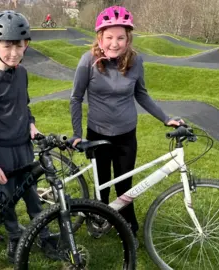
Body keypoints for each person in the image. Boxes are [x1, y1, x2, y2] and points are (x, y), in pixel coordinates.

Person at [69, 6, 183, 245]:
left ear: (128, 39)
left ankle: (126, 224)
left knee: (125, 185)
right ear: (100, 38)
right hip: (97, 134)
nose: (114, 43)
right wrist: (77, 135)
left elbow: (141, 94)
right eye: (109, 37)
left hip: (126, 135)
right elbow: (76, 98)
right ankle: (99, 219)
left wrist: (165, 118)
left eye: (120, 38)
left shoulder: (135, 60)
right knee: (102, 186)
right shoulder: (87, 61)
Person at [0, 10, 58, 264]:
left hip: (23, 147)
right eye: (7, 46)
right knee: (7, 199)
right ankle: (13, 235)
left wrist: (31, 125)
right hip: (0, 150)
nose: (13, 53)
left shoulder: (21, 73)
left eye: (18, 46)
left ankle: (43, 235)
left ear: (26, 45)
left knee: (31, 194)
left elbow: (25, 106)